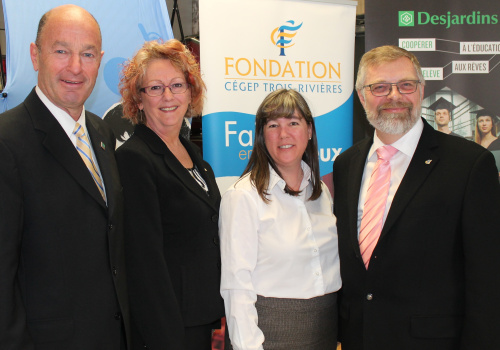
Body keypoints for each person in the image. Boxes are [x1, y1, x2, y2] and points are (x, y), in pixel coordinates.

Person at [332, 45, 500, 350]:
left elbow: (488, 278)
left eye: (406, 85)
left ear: (421, 90)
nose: (394, 96)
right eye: (380, 87)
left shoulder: (469, 164)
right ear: (361, 97)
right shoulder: (346, 164)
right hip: (360, 338)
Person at [0, 5, 130, 349]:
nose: (75, 67)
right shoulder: (7, 141)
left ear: (100, 60)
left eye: (87, 54)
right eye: (61, 51)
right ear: (35, 55)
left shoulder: (102, 133)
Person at [116, 39, 225, 349]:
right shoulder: (135, 158)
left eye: (177, 85)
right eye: (155, 88)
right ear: (138, 99)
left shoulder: (196, 158)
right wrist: (168, 337)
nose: (168, 96)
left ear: (191, 93)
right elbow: (143, 264)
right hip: (168, 329)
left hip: (200, 319)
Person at [220, 89, 341, 350]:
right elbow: (236, 288)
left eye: (293, 123)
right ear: (262, 135)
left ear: (309, 130)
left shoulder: (322, 193)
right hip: (270, 336)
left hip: (325, 334)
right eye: (273, 125)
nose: (284, 134)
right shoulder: (243, 197)